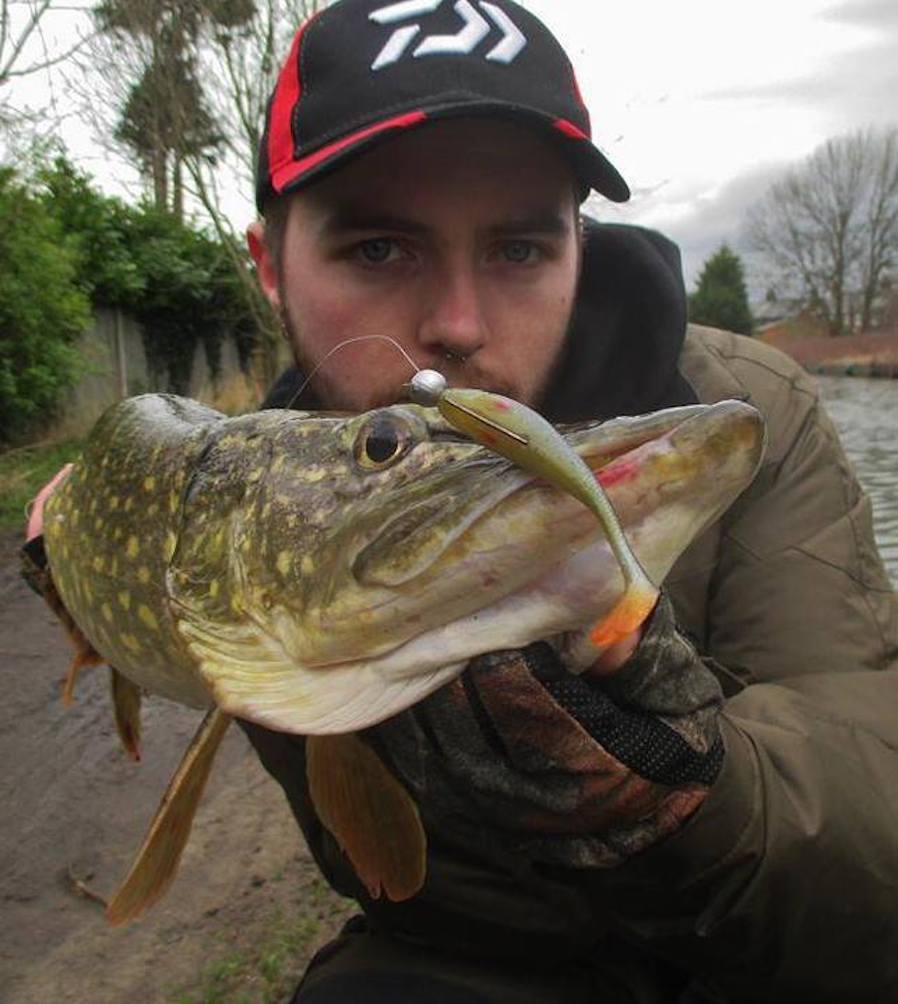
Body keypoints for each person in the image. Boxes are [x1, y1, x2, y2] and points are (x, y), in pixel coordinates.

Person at [240, 1, 898, 1001]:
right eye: (378, 249)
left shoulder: (751, 412)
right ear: (270, 269)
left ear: (578, 249)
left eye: (518, 250)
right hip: (479, 956)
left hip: (750, 950)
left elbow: (871, 831)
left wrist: (678, 790)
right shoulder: (252, 489)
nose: (458, 326)